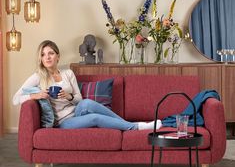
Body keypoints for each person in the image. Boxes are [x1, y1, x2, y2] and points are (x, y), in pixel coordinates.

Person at [13, 40, 162, 130]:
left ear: (58, 56)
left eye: (51, 53)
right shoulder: (38, 76)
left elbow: (78, 99)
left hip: (76, 111)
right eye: (43, 54)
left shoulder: (68, 73)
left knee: (87, 102)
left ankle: (125, 124)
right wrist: (36, 95)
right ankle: (135, 127)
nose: (47, 57)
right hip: (63, 122)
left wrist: (68, 95)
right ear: (40, 59)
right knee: (95, 118)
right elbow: (15, 99)